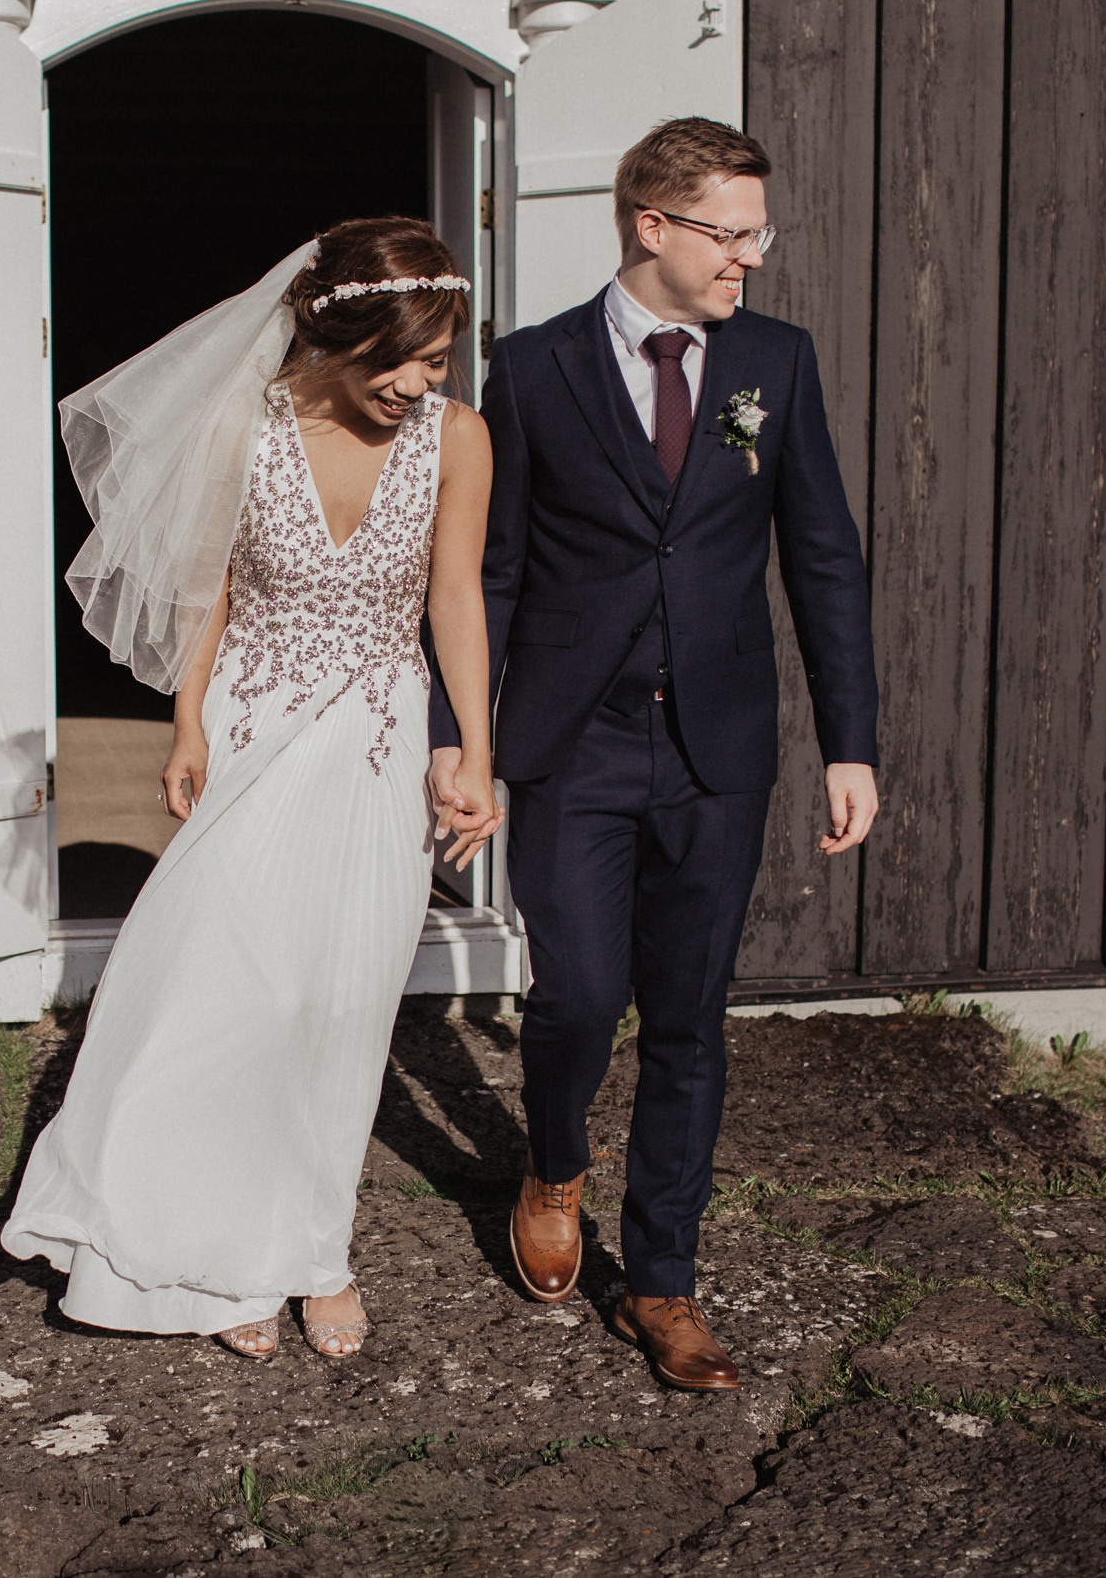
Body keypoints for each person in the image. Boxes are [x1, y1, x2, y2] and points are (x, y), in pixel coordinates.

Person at [426, 118, 881, 1391]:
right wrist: (462, 736)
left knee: (687, 1013)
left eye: (757, 234)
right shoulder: (531, 368)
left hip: (718, 746)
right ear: (652, 226)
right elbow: (492, 570)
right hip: (571, 740)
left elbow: (823, 557)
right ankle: (553, 1162)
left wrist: (850, 740)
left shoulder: (776, 363)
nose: (750, 257)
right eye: (730, 234)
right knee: (576, 995)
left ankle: (664, 1281)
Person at [1, 218, 503, 1360]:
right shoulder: (246, 424)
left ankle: (318, 1252)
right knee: (236, 994)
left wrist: (474, 748)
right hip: (251, 727)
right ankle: (219, 1247)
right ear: (335, 334)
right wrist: (187, 721)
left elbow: (456, 597)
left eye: (436, 360)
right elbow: (207, 587)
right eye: (398, 359)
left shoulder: (458, 437)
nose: (418, 384)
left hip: (376, 742)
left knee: (343, 1001)